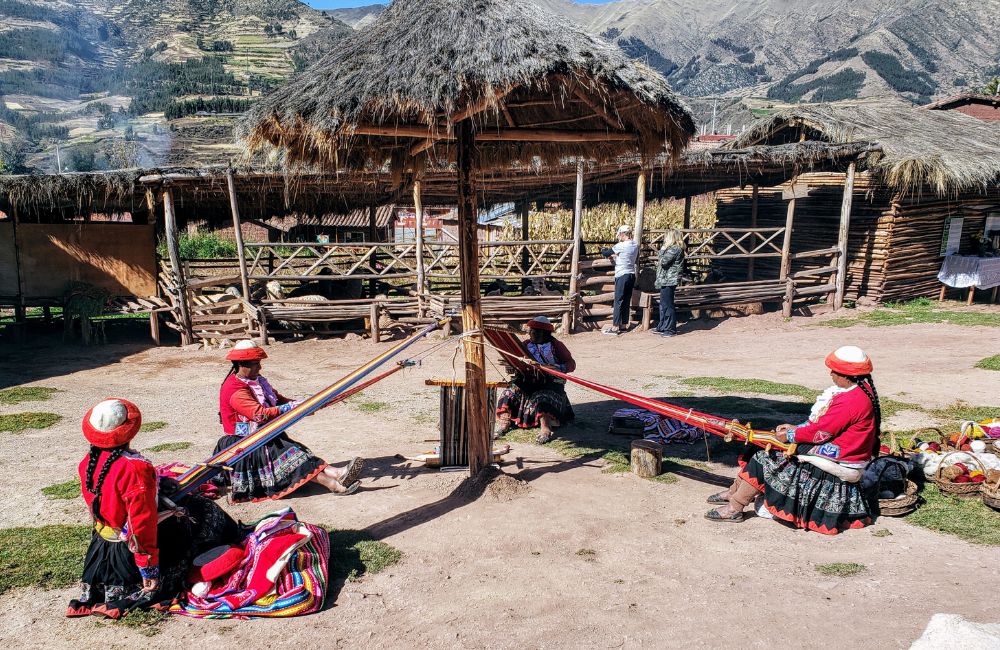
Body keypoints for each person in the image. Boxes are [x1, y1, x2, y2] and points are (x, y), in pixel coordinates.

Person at [67, 398, 239, 619]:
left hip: (104, 546)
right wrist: (148, 568)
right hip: (131, 554)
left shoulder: (88, 463)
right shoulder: (136, 469)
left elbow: (113, 500)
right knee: (203, 509)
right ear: (130, 431)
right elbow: (141, 524)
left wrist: (159, 484)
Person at [705, 346, 881, 534]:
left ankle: (735, 508)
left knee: (763, 458)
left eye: (834, 371)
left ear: (847, 375)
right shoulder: (860, 390)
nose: (831, 374)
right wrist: (796, 429)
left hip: (839, 459)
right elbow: (824, 426)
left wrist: (789, 435)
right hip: (839, 450)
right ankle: (734, 492)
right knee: (761, 446)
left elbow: (821, 433)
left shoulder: (851, 401)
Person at [218, 340, 363, 502]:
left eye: (258, 363)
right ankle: (332, 484)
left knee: (297, 449)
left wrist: (307, 406)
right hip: (243, 444)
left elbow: (278, 401)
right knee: (290, 455)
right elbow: (259, 415)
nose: (259, 368)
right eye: (254, 364)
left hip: (262, 436)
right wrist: (294, 408)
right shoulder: (234, 388)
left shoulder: (257, 382)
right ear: (240, 364)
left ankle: (336, 473)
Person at [495, 316, 577, 444]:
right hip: (526, 382)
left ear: (541, 333)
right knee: (508, 394)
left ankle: (545, 428)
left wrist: (559, 368)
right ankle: (504, 424)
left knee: (543, 398)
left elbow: (571, 364)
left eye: (532, 330)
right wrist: (511, 368)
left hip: (548, 384)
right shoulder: (525, 345)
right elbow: (513, 362)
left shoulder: (556, 345)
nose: (529, 333)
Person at [603, 225, 640, 336]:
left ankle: (615, 327)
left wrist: (603, 250)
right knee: (626, 300)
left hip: (622, 274)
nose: (620, 237)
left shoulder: (620, 246)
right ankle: (624, 325)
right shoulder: (635, 245)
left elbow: (606, 253)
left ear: (623, 234)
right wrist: (617, 257)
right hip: (631, 274)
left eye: (620, 234)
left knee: (618, 300)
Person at [654, 228, 685, 337]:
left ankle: (670, 329)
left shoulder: (675, 249)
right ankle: (663, 326)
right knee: (663, 304)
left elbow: (664, 261)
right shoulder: (674, 249)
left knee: (667, 304)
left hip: (669, 280)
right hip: (666, 279)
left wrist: (661, 251)